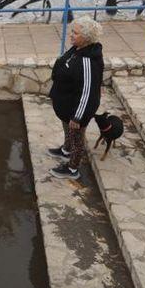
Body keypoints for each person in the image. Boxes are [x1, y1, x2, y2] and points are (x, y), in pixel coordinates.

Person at [47, 16, 104, 180]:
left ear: (86, 38)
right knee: (68, 130)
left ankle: (72, 168)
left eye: (75, 33)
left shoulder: (88, 61)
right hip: (66, 105)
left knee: (77, 139)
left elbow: (88, 92)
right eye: (72, 31)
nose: (71, 35)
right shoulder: (77, 49)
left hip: (76, 110)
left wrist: (77, 117)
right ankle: (65, 150)